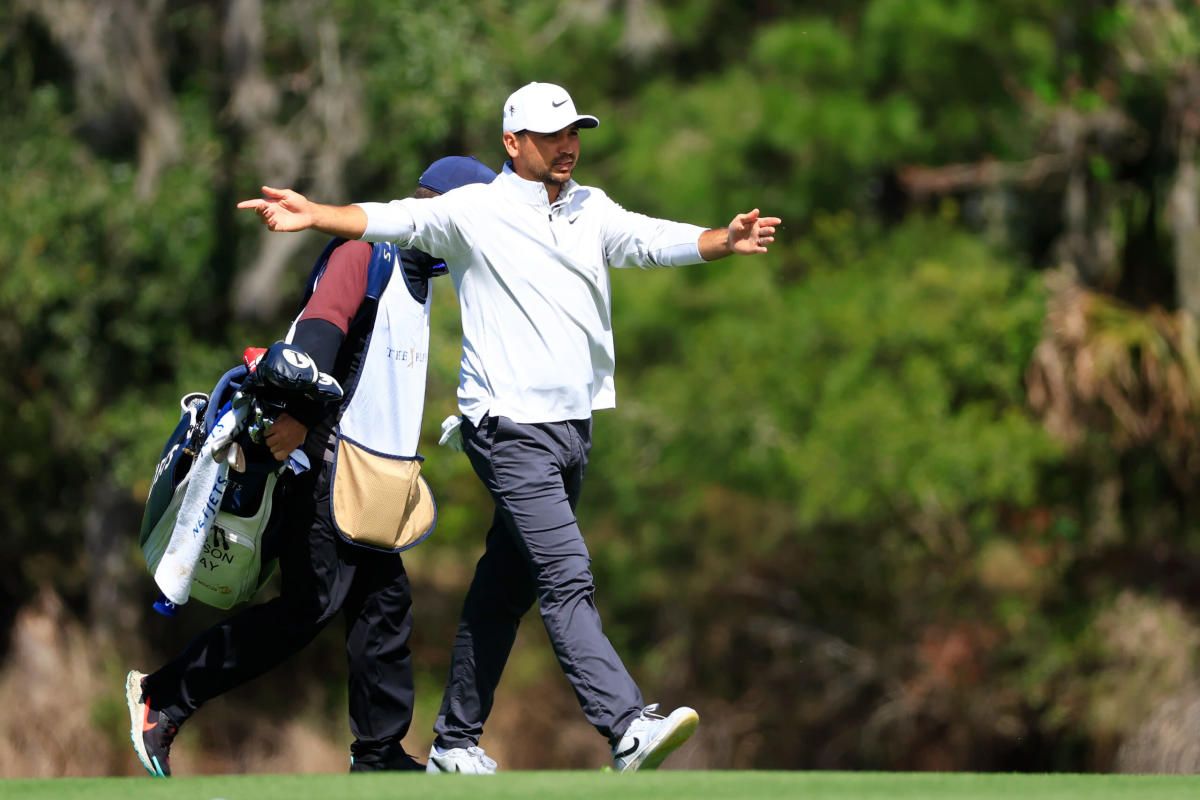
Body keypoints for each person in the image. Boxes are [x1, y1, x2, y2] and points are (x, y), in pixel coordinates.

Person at [237, 81, 782, 774]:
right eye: (552, 136)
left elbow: (647, 241)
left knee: (506, 587)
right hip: (508, 427)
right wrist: (314, 212)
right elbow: (390, 218)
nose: (568, 146)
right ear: (512, 143)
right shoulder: (475, 211)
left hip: (573, 428)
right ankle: (624, 725)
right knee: (565, 573)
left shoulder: (590, 207)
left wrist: (720, 241)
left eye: (574, 132)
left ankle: (454, 741)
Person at [126, 155, 498, 777]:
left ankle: (378, 755)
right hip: (324, 463)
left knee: (384, 606)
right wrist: (296, 413)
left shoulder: (421, 275)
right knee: (311, 607)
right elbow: (319, 335)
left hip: (372, 480)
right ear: (444, 211)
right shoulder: (368, 250)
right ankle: (163, 698)